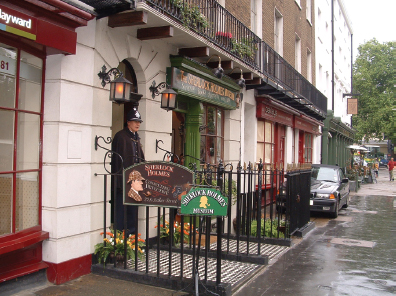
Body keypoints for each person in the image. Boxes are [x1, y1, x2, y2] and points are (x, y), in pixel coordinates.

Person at [111, 108, 145, 235]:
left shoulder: (135, 137)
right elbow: (117, 162)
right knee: (121, 210)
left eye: (139, 122)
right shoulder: (121, 137)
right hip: (123, 182)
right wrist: (119, 182)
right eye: (135, 121)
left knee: (133, 210)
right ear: (128, 122)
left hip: (135, 182)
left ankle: (132, 236)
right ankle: (120, 238)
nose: (137, 124)